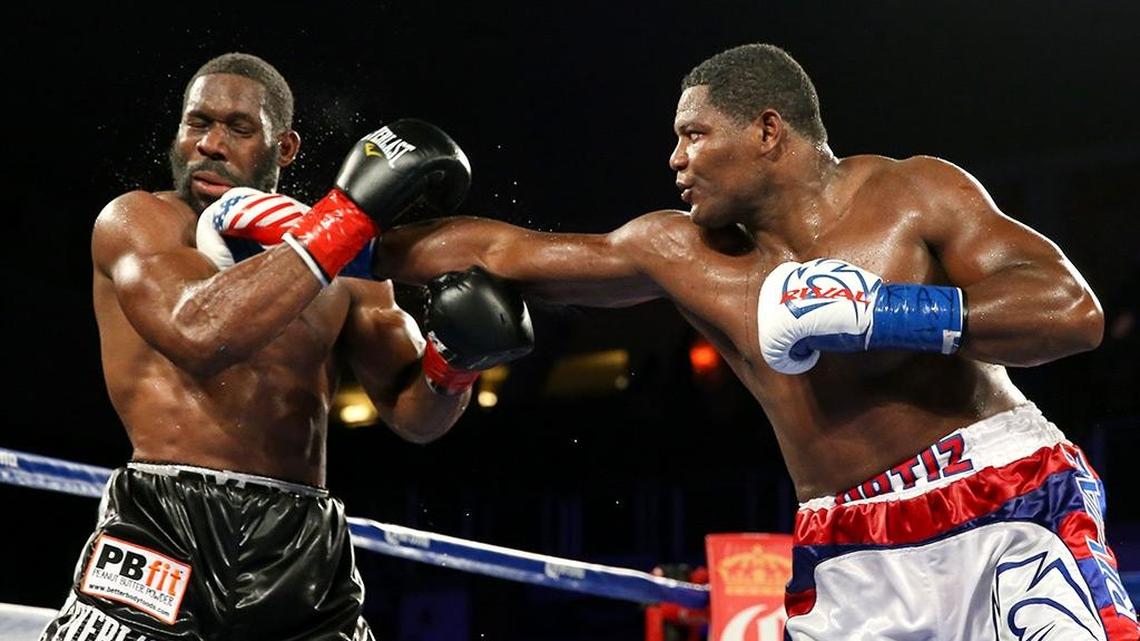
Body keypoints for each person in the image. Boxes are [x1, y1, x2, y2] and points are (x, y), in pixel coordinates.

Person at [374, 44, 1139, 639]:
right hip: (848, 547)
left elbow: (1073, 312)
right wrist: (337, 232)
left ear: (768, 129)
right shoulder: (680, 252)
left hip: (1003, 500)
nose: (675, 159)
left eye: (694, 134)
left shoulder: (912, 195)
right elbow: (506, 253)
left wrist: (886, 313)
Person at [39, 53, 533, 641]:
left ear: (286, 148)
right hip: (161, 526)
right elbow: (198, 333)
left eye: (239, 129)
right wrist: (344, 221)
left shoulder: (352, 267)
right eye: (197, 124)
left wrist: (454, 362)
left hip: (301, 544)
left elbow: (413, 416)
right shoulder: (139, 221)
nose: (210, 145)